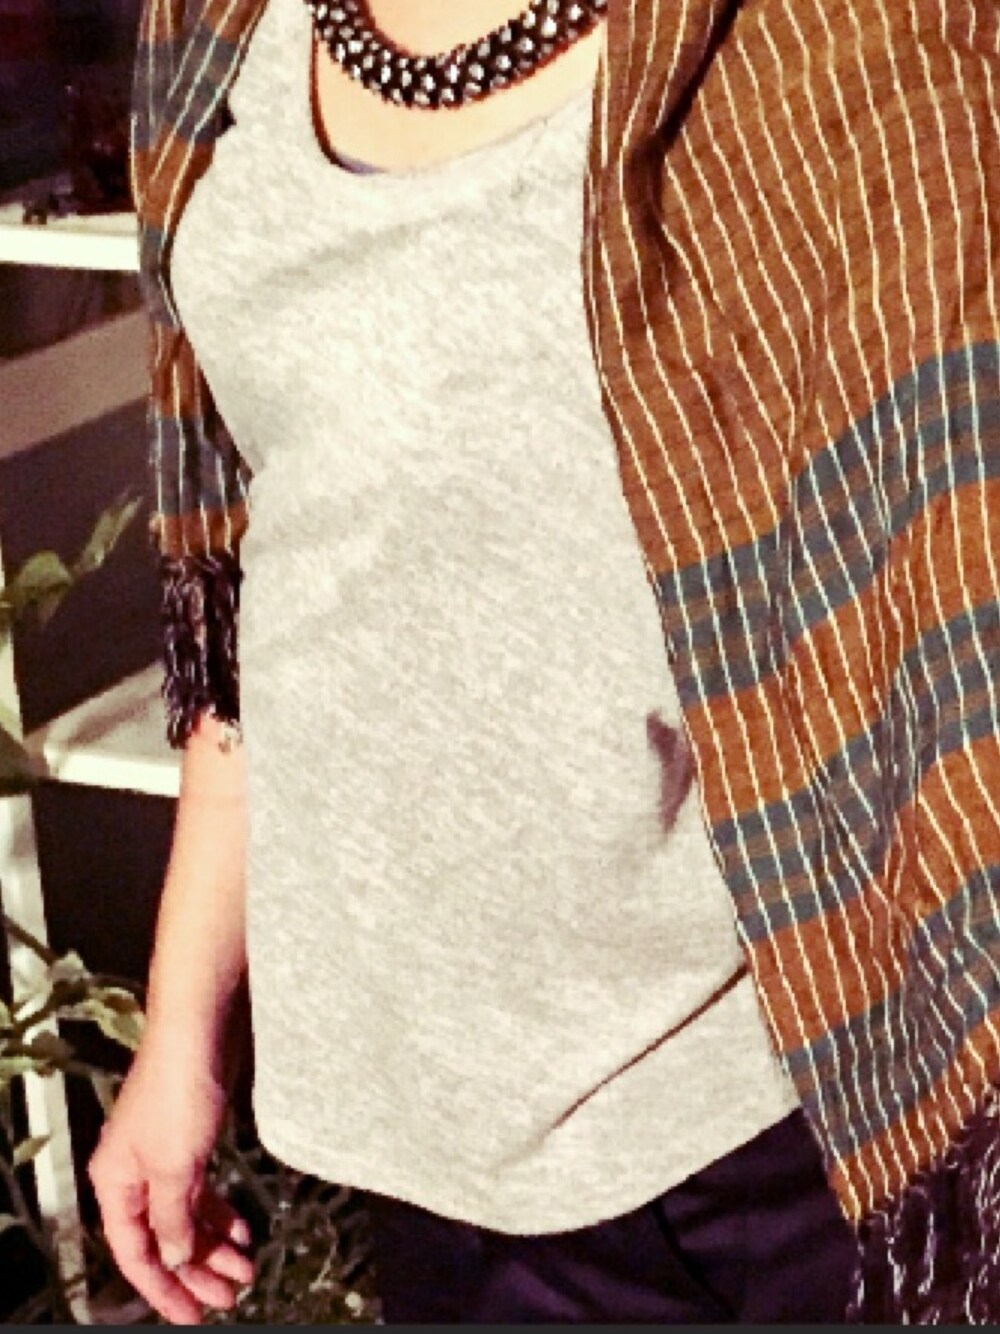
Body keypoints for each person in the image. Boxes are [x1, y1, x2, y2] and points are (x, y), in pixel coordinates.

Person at [86, 0, 1000, 1323]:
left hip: (738, 1126)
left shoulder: (834, 38)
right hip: (415, 1123)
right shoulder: (220, 31)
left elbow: (946, 538)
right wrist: (181, 1030)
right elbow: (257, 560)